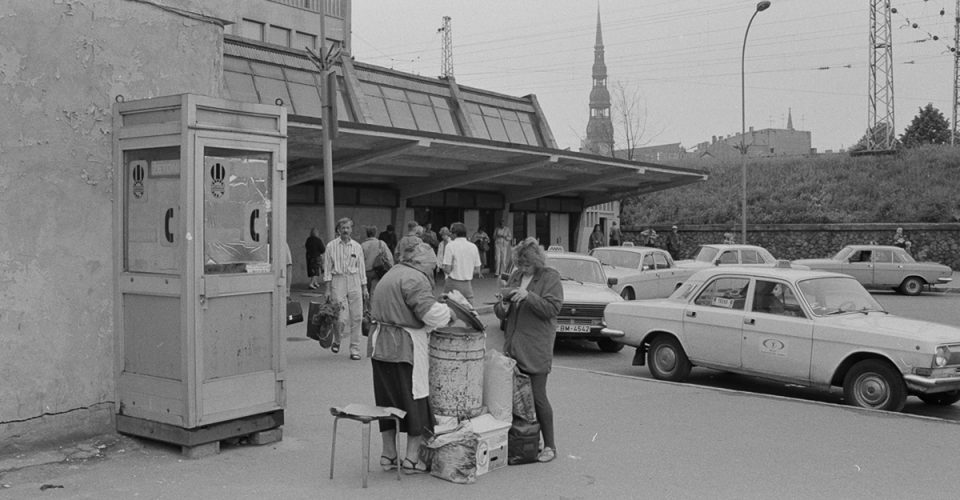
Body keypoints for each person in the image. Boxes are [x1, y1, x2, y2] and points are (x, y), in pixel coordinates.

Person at [368, 242, 455, 475]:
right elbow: (431, 314)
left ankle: (388, 455)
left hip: (380, 347)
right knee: (414, 401)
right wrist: (450, 312)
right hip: (405, 348)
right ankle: (412, 460)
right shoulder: (415, 278)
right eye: (432, 265)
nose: (433, 270)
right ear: (420, 261)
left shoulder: (392, 274)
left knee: (388, 402)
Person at [494, 237, 563, 463]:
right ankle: (524, 443)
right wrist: (502, 307)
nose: (522, 269)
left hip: (536, 347)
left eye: (526, 265)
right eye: (519, 265)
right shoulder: (515, 276)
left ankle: (550, 446)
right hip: (513, 346)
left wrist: (529, 296)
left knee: (538, 397)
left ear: (536, 261)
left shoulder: (550, 277)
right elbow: (502, 312)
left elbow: (552, 309)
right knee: (512, 399)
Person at [323, 217, 369, 360]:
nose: (345, 230)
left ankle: (355, 349)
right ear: (338, 230)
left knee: (357, 316)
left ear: (351, 230)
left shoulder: (357, 246)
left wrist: (364, 287)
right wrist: (328, 289)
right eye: (343, 228)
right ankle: (337, 339)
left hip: (354, 279)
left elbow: (361, 268)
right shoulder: (331, 246)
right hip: (338, 279)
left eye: (348, 228)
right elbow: (327, 269)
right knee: (340, 317)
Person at [442, 222, 483, 304]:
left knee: (447, 310)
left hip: (452, 283)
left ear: (455, 234)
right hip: (467, 285)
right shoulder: (473, 246)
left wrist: (442, 266)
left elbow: (447, 270)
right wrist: (466, 270)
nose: (449, 234)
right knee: (468, 311)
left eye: (451, 232)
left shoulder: (450, 246)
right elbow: (477, 270)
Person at [361, 225, 393, 296]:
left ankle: (367, 306)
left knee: (366, 294)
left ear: (367, 234)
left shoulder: (362, 245)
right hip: (379, 271)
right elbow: (389, 257)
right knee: (377, 293)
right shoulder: (381, 243)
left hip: (366, 273)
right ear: (375, 233)